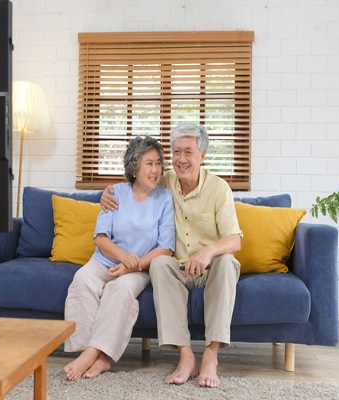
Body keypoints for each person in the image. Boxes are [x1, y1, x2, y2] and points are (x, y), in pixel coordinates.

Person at [101, 123, 242, 388]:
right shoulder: (164, 181)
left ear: (203, 155)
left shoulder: (219, 189)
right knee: (159, 262)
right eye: (176, 152)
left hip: (209, 269)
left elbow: (235, 240)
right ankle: (186, 356)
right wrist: (106, 194)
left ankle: (211, 355)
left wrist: (208, 252)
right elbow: (133, 188)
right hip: (177, 269)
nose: (181, 159)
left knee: (227, 262)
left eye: (188, 152)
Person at [63, 136, 175, 381]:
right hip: (106, 260)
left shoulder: (164, 198)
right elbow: (100, 238)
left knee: (119, 290)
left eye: (158, 163)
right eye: (149, 163)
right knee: (82, 280)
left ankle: (91, 354)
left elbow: (166, 248)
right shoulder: (115, 193)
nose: (155, 170)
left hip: (139, 269)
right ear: (134, 167)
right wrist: (123, 257)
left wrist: (131, 265)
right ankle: (94, 355)